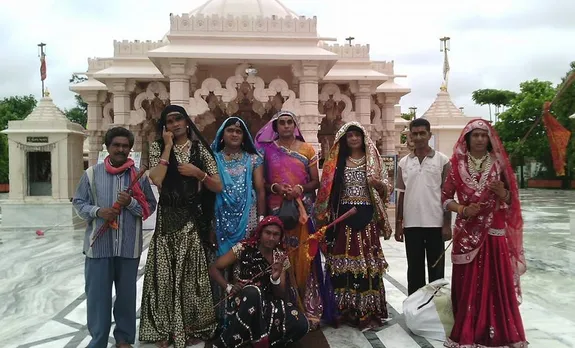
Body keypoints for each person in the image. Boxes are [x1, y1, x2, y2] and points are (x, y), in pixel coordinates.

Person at [139, 105, 223, 348]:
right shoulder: (157, 147)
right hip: (167, 221)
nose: (175, 124)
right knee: (164, 277)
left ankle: (193, 327)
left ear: (187, 122)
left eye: (179, 119)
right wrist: (167, 146)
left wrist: (199, 174)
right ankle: (164, 329)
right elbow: (156, 179)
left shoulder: (199, 150)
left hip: (192, 219)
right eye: (170, 121)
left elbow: (217, 185)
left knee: (191, 277)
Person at [442, 119, 527, 347]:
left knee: (494, 281)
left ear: (489, 139)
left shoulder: (499, 165)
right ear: (467, 139)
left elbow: (512, 199)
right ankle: (469, 329)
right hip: (467, 233)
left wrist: (503, 193)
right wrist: (462, 209)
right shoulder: (455, 165)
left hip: (493, 230)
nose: (480, 139)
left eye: (483, 135)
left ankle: (498, 331)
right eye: (475, 135)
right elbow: (445, 199)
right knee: (468, 282)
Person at [72, 127, 157, 348]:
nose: (121, 149)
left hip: (128, 248)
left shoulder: (138, 177)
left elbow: (150, 207)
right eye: (116, 145)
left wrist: (130, 203)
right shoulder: (91, 174)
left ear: (130, 149)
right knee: (98, 298)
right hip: (99, 247)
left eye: (125, 146)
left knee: (126, 298)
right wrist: (99, 212)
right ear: (107, 147)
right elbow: (79, 203)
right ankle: (98, 341)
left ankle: (124, 340)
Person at [315, 121, 392, 329]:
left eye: (357, 135)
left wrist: (379, 185)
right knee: (342, 264)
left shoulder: (373, 161)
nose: (354, 139)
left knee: (366, 265)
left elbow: (387, 188)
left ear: (363, 137)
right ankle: (343, 309)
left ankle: (367, 311)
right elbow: (328, 191)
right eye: (350, 136)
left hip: (366, 218)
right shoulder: (337, 163)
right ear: (344, 139)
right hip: (343, 218)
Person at [255, 110, 323, 328]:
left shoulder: (307, 149)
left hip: (302, 213)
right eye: (281, 123)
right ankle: (281, 306)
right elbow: (261, 182)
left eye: (289, 122)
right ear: (276, 127)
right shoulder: (267, 150)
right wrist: (276, 187)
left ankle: (307, 306)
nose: (285, 126)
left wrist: (300, 188)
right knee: (278, 256)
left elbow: (316, 182)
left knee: (304, 256)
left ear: (295, 126)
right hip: (276, 213)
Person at [207, 216, 309, 348]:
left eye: (276, 234)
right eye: (268, 233)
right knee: (253, 292)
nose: (271, 238)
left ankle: (253, 340)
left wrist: (275, 277)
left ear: (280, 237)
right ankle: (236, 342)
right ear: (260, 233)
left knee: (302, 324)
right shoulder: (243, 248)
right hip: (243, 301)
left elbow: (280, 294)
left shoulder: (280, 256)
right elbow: (213, 268)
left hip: (268, 303)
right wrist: (229, 287)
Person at [395, 118, 452, 295]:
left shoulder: (443, 161)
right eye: (415, 133)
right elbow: (401, 194)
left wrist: (447, 224)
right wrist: (399, 224)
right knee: (414, 270)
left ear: (429, 135)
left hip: (435, 224)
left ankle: (436, 310)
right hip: (412, 225)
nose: (418, 137)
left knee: (436, 270)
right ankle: (416, 309)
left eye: (422, 133)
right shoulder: (403, 163)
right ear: (410, 136)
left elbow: (447, 195)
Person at [211, 116, 266, 256]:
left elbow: (260, 190)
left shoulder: (254, 159)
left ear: (244, 136)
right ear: (222, 134)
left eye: (238, 131)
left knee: (245, 257)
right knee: (219, 258)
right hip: (219, 215)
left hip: (248, 216)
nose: (234, 134)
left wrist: (261, 220)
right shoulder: (213, 158)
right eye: (230, 130)